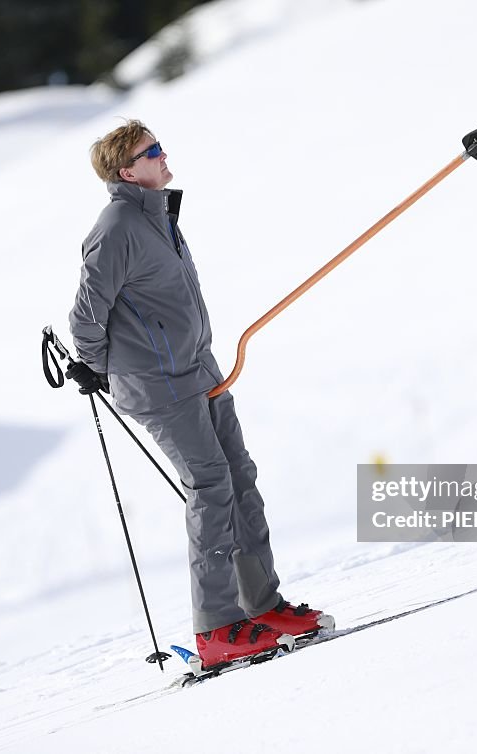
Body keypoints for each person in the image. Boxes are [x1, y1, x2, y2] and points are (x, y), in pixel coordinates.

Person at [67, 120, 332, 668]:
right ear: (127, 171)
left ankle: (261, 608)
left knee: (239, 478)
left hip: (199, 370)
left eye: (159, 147)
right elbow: (86, 314)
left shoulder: (158, 213)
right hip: (158, 384)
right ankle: (217, 629)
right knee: (210, 487)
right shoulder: (116, 225)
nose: (164, 156)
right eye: (152, 151)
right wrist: (95, 368)